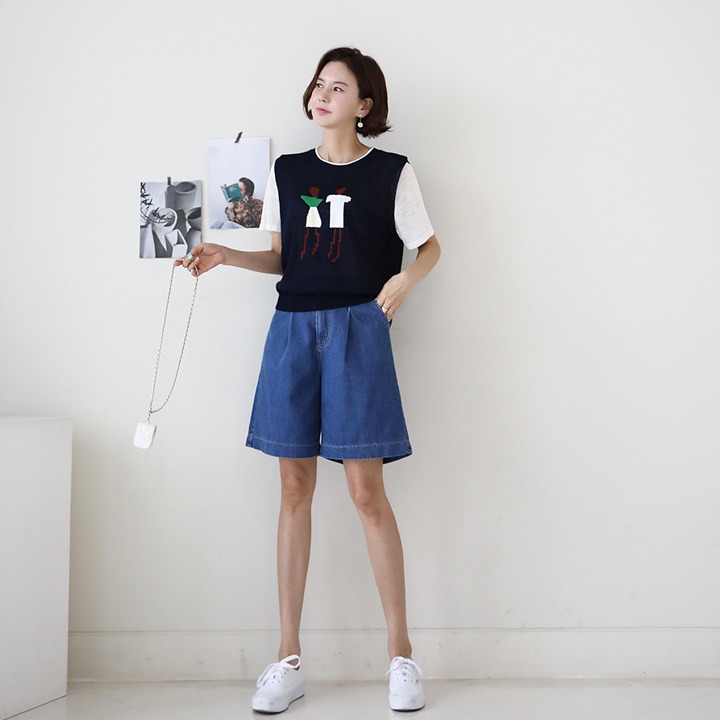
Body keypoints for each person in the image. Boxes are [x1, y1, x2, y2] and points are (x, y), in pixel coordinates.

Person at [176, 46, 441, 714]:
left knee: (366, 493)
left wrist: (405, 280)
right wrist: (226, 255)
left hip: (359, 330)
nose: (322, 95)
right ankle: (288, 658)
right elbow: (282, 258)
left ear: (365, 105)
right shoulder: (288, 171)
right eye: (319, 84)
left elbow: (430, 245)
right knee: (293, 489)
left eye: (338, 87)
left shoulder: (392, 172)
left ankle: (401, 656)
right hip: (292, 330)